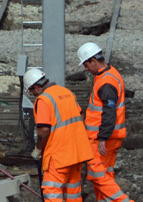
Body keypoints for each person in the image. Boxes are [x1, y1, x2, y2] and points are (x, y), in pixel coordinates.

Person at [77, 42, 135, 202]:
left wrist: (102, 137)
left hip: (102, 139)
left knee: (97, 174)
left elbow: (109, 113)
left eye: (86, 65)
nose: (86, 69)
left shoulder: (106, 82)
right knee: (105, 175)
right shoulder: (109, 75)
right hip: (112, 137)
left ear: (93, 61)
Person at [24, 67, 92, 202]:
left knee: (52, 191)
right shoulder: (66, 92)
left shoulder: (44, 99)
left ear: (36, 87)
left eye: (31, 91)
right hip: (77, 152)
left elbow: (44, 131)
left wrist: (38, 149)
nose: (33, 95)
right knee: (73, 192)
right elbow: (80, 115)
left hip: (59, 155)